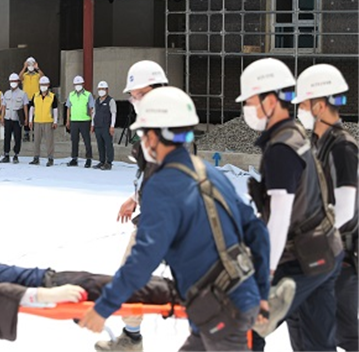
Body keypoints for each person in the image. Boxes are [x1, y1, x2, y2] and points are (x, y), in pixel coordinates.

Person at [79, 87, 273, 352]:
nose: (143, 142)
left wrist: (103, 308)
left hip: (221, 315)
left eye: (144, 134)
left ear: (158, 136)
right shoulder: (209, 172)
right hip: (234, 301)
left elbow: (143, 258)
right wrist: (262, 294)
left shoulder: (162, 185)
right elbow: (257, 232)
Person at [236, 58, 344, 351]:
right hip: (324, 252)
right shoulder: (294, 132)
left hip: (302, 259)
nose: (246, 108)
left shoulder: (281, 149)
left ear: (270, 101)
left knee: (248, 327)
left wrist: (265, 271)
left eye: (249, 101)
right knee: (316, 342)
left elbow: (281, 215)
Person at [0, 239, 177, 341]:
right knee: (116, 285)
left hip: (46, 278)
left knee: (110, 283)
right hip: (47, 285)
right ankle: (178, 292)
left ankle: (174, 290)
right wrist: (51, 297)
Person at [94, 60, 170, 352]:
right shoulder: (152, 122)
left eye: (139, 93)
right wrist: (136, 198)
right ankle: (131, 336)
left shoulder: (166, 123)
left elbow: (172, 171)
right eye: (133, 94)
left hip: (166, 218)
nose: (133, 99)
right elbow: (150, 170)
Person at [292, 64, 358, 352]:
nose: (300, 111)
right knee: (307, 324)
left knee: (344, 334)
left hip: (338, 256)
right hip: (322, 253)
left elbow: (345, 209)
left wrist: (311, 239)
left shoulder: (343, 148)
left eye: (304, 105)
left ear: (319, 106)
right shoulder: (318, 143)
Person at [29, 75, 58, 167]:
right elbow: (32, 108)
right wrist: (31, 120)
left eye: (45, 84)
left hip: (48, 121)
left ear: (48, 85)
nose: (43, 86)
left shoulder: (52, 97)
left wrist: (55, 121)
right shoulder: (35, 95)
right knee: (36, 140)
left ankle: (50, 158)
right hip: (37, 121)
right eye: (41, 84)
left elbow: (55, 109)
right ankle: (36, 157)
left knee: (49, 141)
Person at [0, 73, 29, 164]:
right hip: (8, 117)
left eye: (14, 81)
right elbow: (3, 105)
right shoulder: (7, 93)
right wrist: (2, 117)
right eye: (11, 81)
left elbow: (25, 106)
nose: (13, 83)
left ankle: (16, 154)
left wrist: (26, 118)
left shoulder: (23, 94)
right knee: (7, 136)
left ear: (18, 82)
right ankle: (6, 154)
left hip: (17, 119)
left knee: (17, 137)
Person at [66, 75, 94, 168]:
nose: (78, 85)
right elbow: (69, 108)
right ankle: (74, 158)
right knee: (74, 140)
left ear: (83, 84)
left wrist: (92, 122)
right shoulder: (71, 95)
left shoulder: (88, 95)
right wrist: (68, 120)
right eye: (76, 84)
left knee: (87, 140)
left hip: (85, 120)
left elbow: (91, 108)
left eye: (79, 84)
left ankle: (89, 159)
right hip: (74, 120)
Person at [92, 81, 116, 170]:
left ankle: (109, 162)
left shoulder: (110, 100)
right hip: (98, 125)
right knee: (100, 144)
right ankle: (101, 161)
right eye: (99, 89)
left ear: (107, 90)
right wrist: (92, 124)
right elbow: (94, 113)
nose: (101, 91)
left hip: (106, 126)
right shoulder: (97, 101)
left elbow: (113, 113)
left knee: (108, 144)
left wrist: (112, 126)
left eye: (103, 89)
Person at [19, 56, 44, 142]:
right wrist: (24, 67)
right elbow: (19, 78)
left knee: (34, 116)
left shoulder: (37, 75)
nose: (30, 66)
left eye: (31, 64)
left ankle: (34, 133)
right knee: (26, 116)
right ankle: (26, 133)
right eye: (29, 64)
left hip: (35, 98)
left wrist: (38, 68)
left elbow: (43, 77)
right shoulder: (25, 75)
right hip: (26, 98)